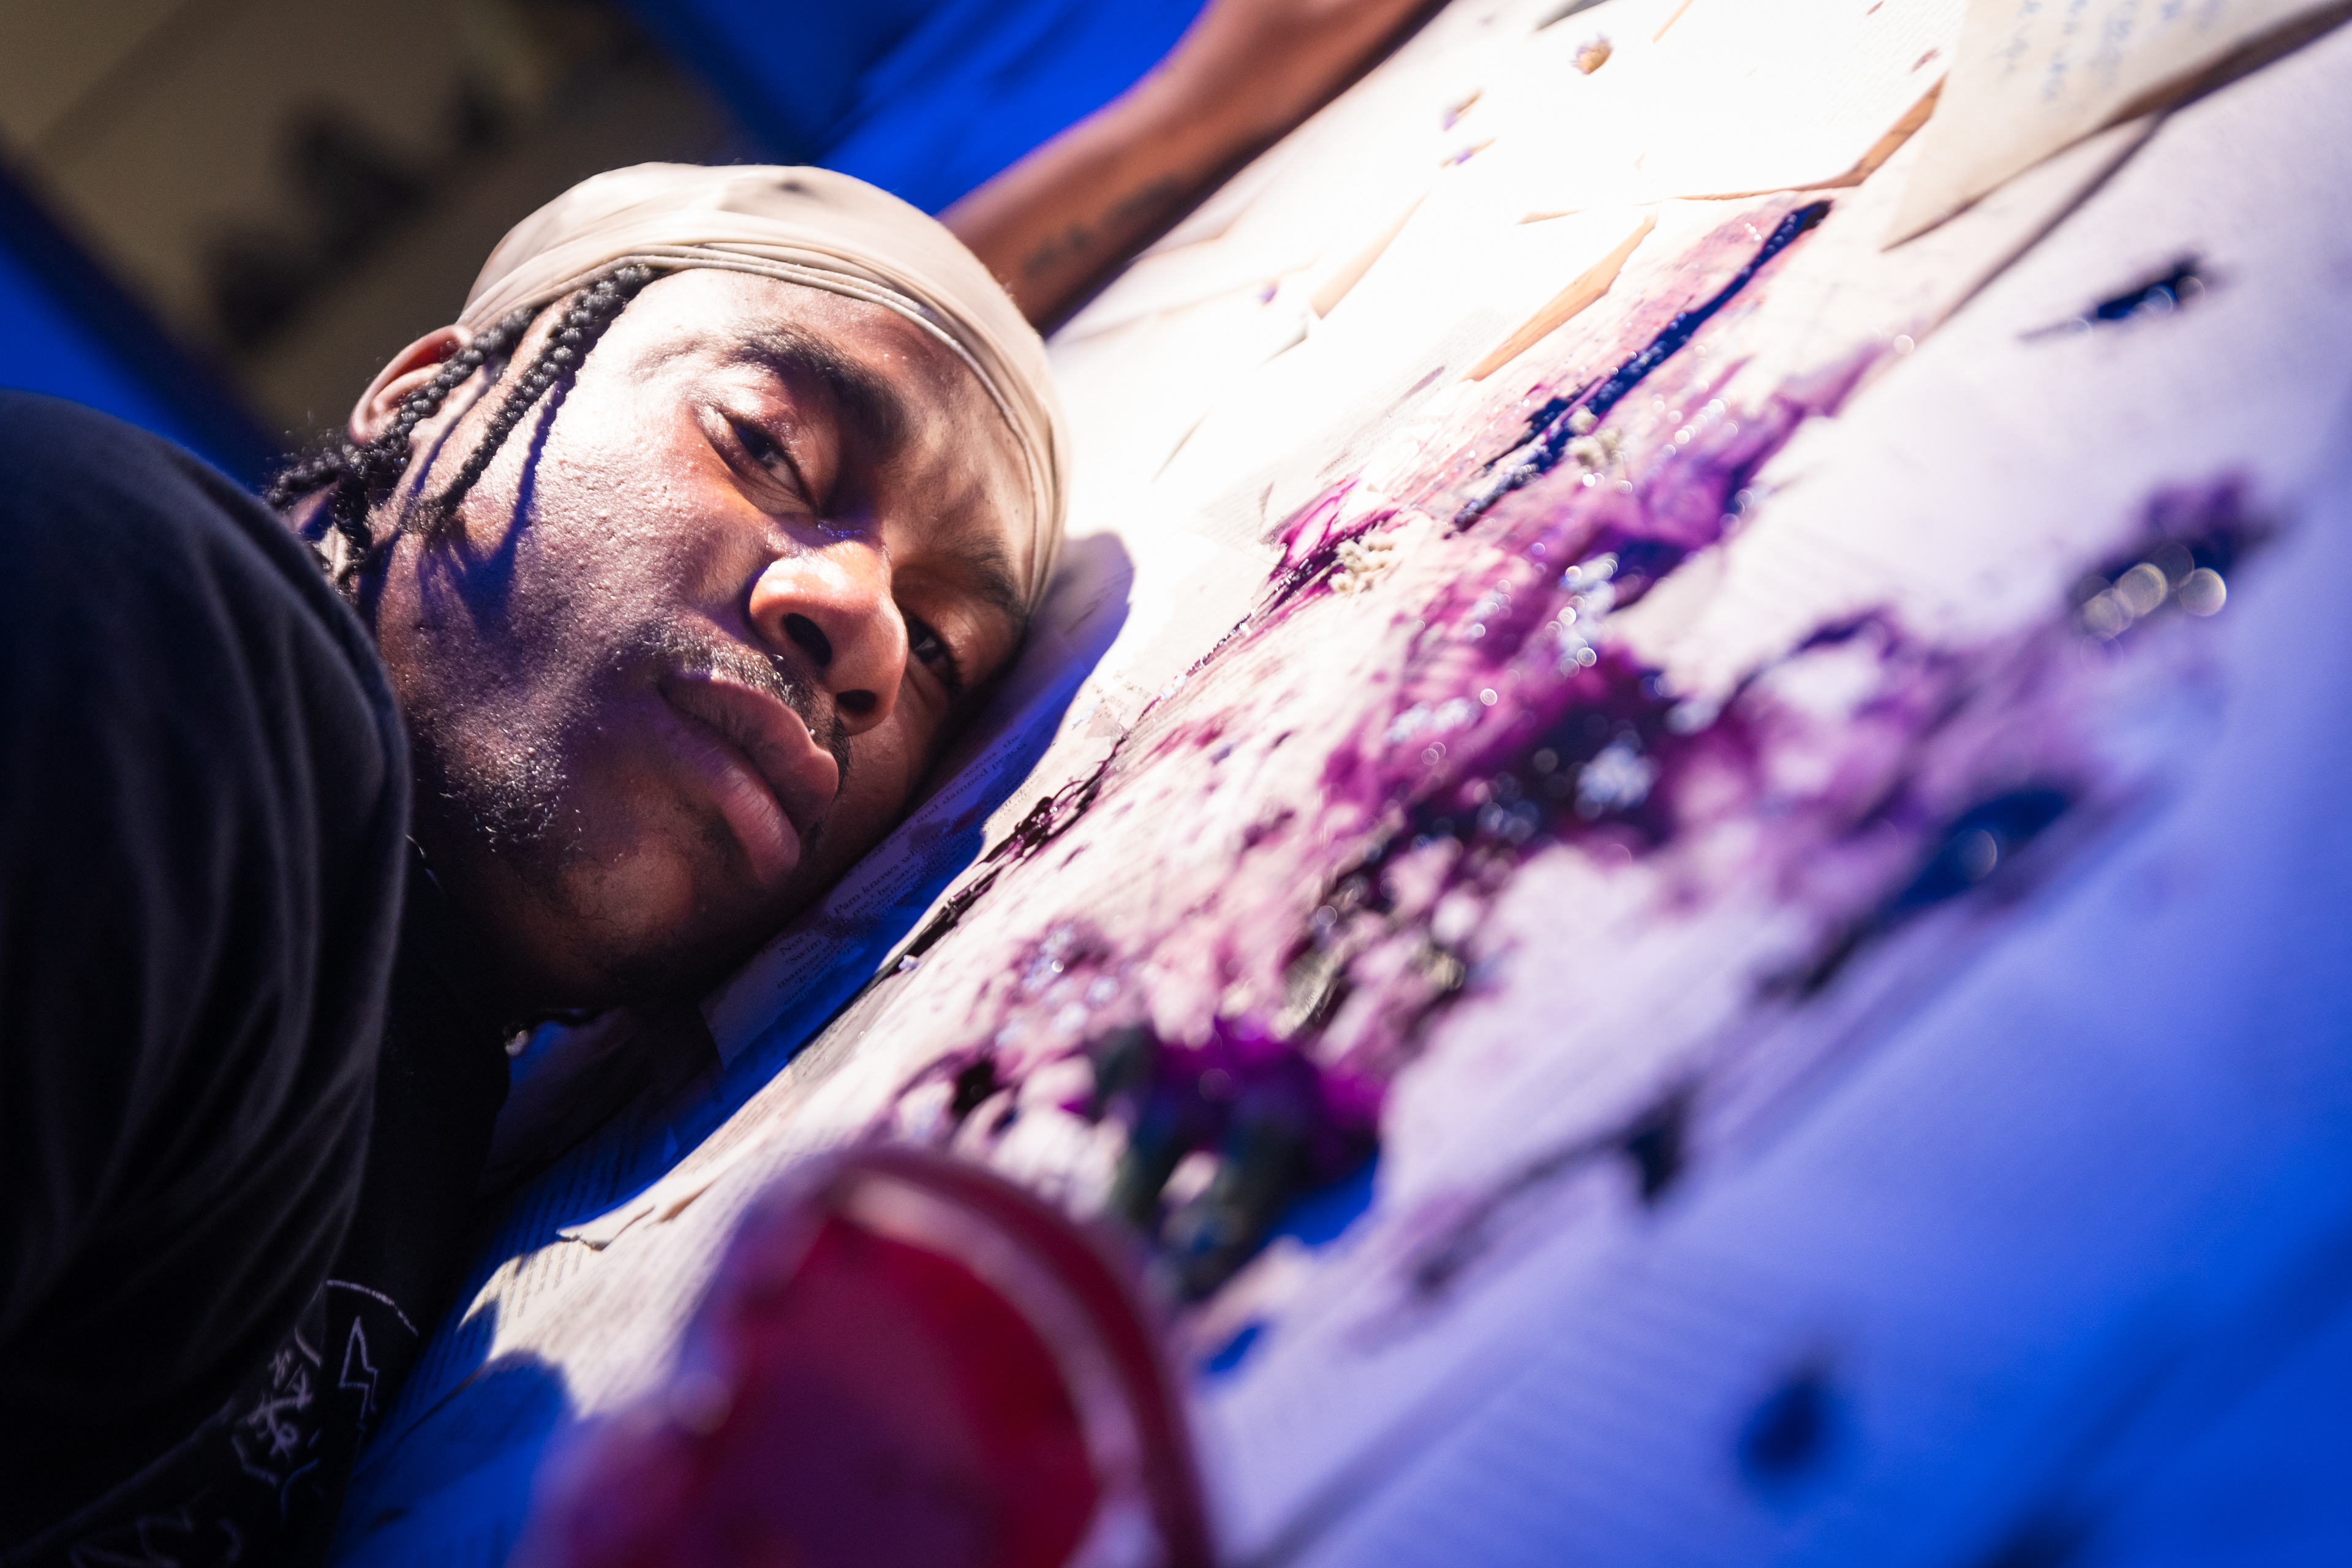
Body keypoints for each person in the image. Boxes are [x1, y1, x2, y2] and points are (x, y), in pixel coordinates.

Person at [0, 1, 1433, 1561]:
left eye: (940, 653)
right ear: (421, 400)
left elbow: (756, 365)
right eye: (767, 448)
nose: (864, 625)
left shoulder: (426, 1045)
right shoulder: (137, 625)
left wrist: (1187, 122)